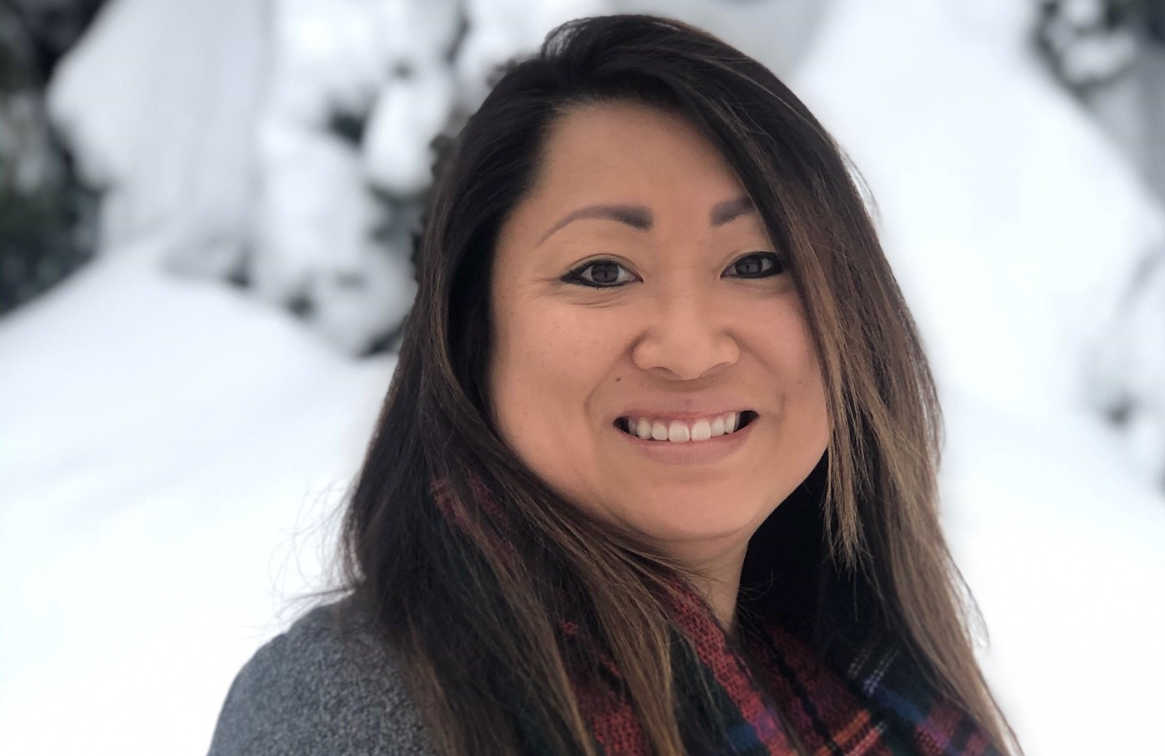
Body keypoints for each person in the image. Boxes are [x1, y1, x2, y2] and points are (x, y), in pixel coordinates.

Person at [209, 14, 1021, 756]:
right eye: (601, 270)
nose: (690, 349)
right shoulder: (356, 710)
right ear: (471, 331)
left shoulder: (869, 695)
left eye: (757, 263)